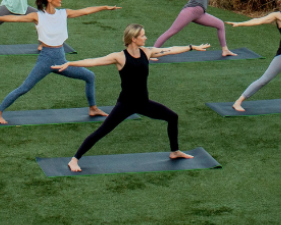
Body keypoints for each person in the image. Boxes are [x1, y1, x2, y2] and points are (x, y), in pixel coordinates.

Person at [55, 24, 205, 172]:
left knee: (172, 117)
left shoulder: (147, 52)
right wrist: (70, 63)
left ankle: (175, 151)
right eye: (142, 36)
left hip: (144, 103)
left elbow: (170, 50)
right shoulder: (119, 57)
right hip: (125, 104)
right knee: (102, 131)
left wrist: (191, 47)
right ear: (133, 39)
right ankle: (74, 160)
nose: (145, 37)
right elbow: (94, 61)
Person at [0, 0, 120, 124]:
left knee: (89, 76)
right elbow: (15, 19)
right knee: (24, 88)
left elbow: (85, 11)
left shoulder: (63, 13)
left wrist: (104, 7)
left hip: (60, 59)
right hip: (46, 60)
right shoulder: (38, 16)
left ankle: (93, 108)